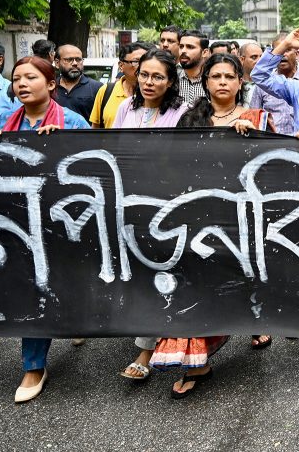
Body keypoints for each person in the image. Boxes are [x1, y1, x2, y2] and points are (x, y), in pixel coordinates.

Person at [148, 54, 268, 399]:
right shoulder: (191, 119)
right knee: (197, 284)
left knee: (238, 278)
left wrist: (251, 137)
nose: (222, 82)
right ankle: (195, 361)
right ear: (206, 81)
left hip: (241, 217)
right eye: (215, 76)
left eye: (230, 76)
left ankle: (251, 323)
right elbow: (173, 166)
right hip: (198, 215)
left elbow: (273, 164)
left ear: (240, 82)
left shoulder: (256, 118)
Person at [0, 56, 90, 402]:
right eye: (17, 78)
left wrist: (62, 143)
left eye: (31, 77)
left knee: (67, 280)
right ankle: (33, 366)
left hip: (62, 221)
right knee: (33, 288)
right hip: (18, 223)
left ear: (51, 84)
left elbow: (91, 170)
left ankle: (74, 319)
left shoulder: (72, 121)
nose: (21, 84)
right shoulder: (2, 121)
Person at [114, 50, 189, 382]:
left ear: (171, 81)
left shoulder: (182, 113)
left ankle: (151, 349)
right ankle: (152, 341)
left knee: (165, 273)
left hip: (167, 205)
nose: (148, 82)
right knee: (143, 276)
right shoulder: (123, 108)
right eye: (144, 74)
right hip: (129, 203)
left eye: (158, 76)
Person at [247, 35, 299, 135]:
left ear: (296, 54)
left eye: (287, 50)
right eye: (280, 51)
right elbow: (253, 116)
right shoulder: (262, 85)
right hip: (270, 142)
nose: (283, 55)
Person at [90, 42, 149, 128]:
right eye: (136, 62)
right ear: (121, 66)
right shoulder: (106, 91)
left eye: (146, 62)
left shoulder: (154, 93)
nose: (142, 67)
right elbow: (95, 129)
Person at [54, 44, 100, 118]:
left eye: (78, 59)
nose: (75, 63)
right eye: (69, 60)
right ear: (57, 63)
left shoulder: (97, 88)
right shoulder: (50, 88)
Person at [177, 29, 209, 105]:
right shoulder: (172, 80)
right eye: (181, 47)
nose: (183, 51)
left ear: (204, 52)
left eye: (190, 47)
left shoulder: (212, 81)